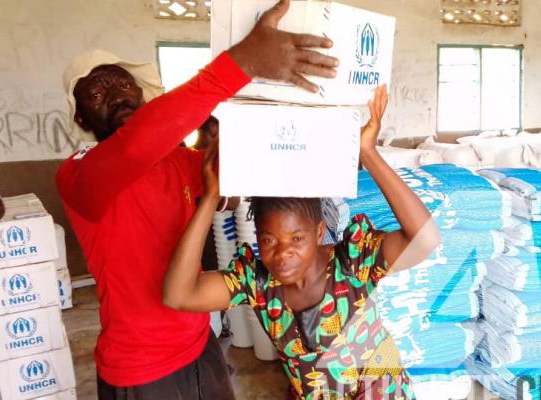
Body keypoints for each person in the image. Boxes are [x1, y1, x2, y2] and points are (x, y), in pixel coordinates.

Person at [55, 0, 339, 398]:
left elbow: (229, 197)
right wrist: (241, 63)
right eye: (96, 93)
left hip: (198, 341)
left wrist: (230, 131)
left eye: (122, 84)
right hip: (141, 364)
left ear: (142, 94)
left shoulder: (176, 159)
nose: (114, 95)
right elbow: (134, 149)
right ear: (83, 119)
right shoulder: (79, 174)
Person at [163, 85, 441, 399]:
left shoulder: (352, 263)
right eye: (268, 240)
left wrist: (368, 153)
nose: (283, 254)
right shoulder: (257, 282)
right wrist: (210, 197)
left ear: (319, 232)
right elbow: (178, 295)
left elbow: (425, 239)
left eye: (297, 238)